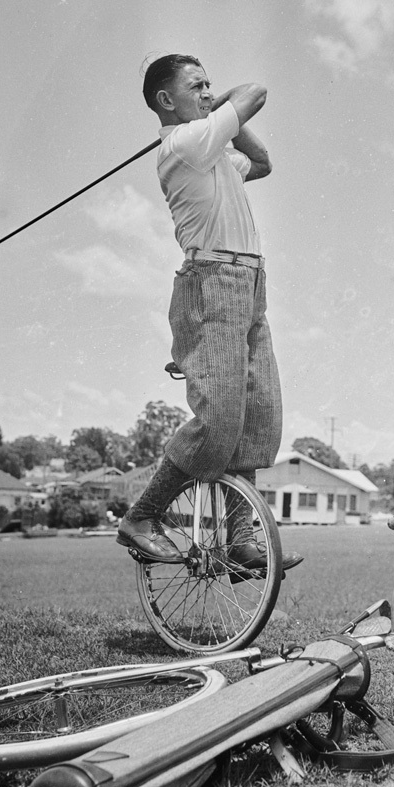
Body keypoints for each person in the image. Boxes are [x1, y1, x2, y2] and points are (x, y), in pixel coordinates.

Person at [117, 53, 302, 574]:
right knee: (219, 420)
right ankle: (143, 515)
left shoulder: (212, 151)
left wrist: (221, 117)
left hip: (249, 285)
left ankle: (242, 538)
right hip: (211, 283)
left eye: (209, 86)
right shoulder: (183, 144)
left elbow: (262, 162)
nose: (206, 91)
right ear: (165, 101)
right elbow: (256, 91)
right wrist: (222, 107)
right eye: (196, 86)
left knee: (259, 416)